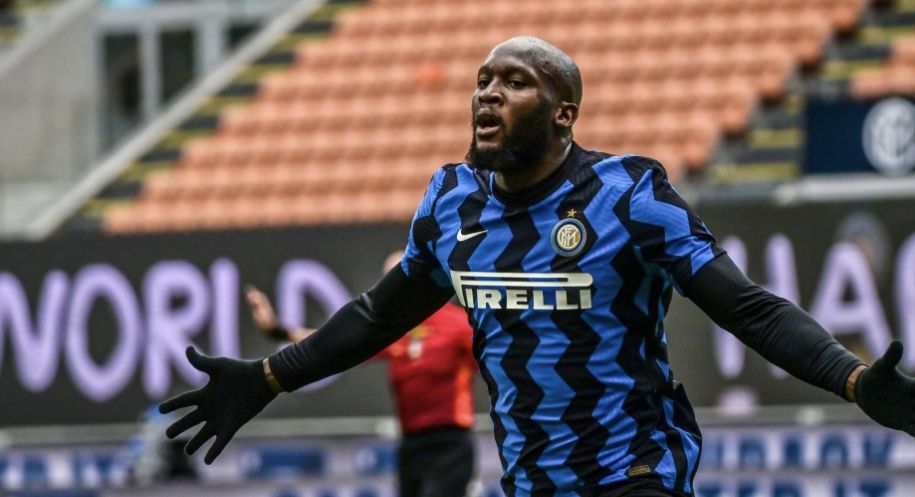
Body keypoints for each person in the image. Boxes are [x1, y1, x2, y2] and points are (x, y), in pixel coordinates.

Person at [160, 37, 915, 497]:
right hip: (531, 481)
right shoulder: (451, 203)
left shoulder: (629, 195)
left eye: (515, 82)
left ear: (563, 114)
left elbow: (748, 307)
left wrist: (851, 379)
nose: (489, 94)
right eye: (482, 81)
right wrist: (268, 378)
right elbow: (376, 315)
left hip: (635, 471)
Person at [244, 250, 478, 497]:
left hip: (449, 443)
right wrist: (278, 331)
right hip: (411, 444)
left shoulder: (457, 324)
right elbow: (337, 342)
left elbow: (492, 362)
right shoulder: (394, 325)